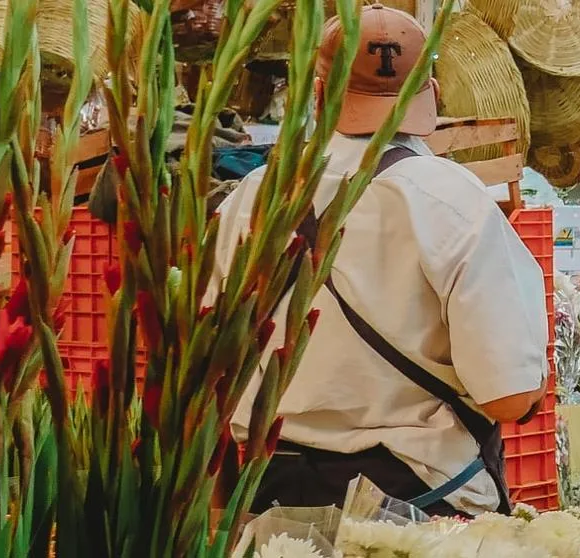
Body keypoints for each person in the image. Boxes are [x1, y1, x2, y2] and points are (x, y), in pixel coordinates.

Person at [219, 5, 548, 517]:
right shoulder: (453, 200)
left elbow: (212, 360)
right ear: (431, 95)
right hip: (417, 504)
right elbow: (508, 397)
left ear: (321, 93)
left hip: (272, 500)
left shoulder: (253, 198)